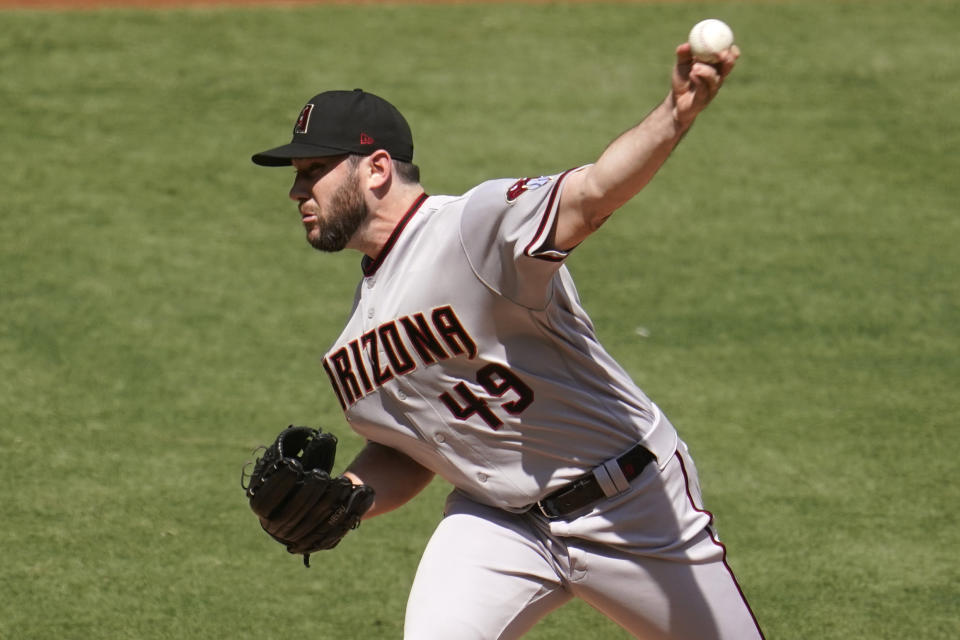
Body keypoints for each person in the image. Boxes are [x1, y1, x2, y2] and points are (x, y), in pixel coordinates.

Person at [251, 40, 763, 640]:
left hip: (633, 504)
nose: (296, 192)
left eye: (313, 171)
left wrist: (676, 114)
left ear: (377, 168)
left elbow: (594, 194)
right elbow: (416, 449)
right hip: (498, 523)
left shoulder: (476, 227)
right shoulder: (355, 336)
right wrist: (350, 495)